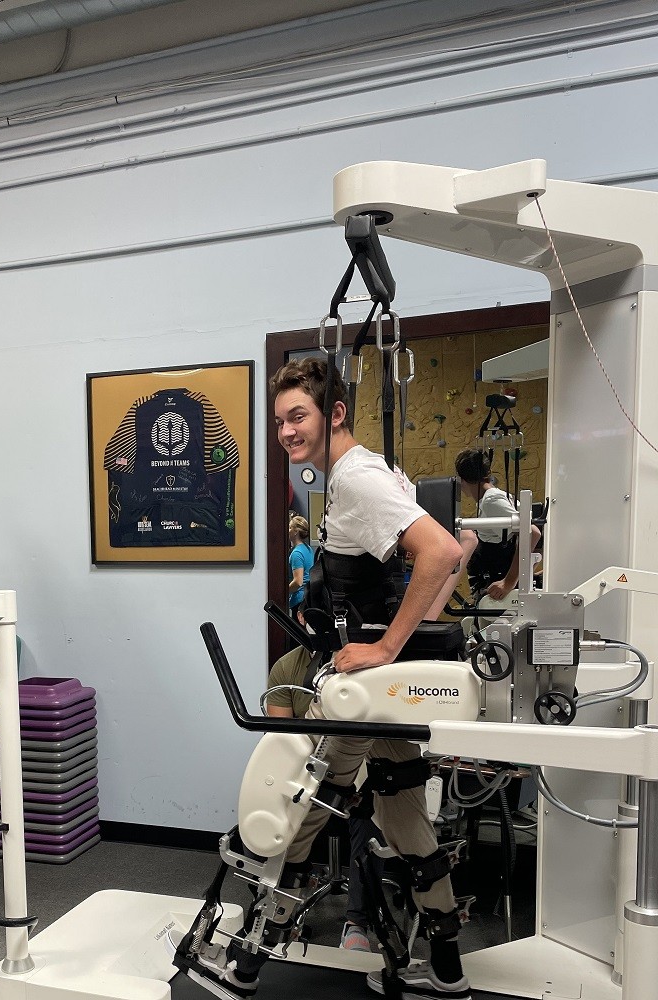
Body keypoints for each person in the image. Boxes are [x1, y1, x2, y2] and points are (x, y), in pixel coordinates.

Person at [270, 357, 467, 999]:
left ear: (335, 414)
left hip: (360, 689)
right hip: (374, 690)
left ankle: (251, 951)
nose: (287, 433)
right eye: (280, 421)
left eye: (298, 417)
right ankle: (446, 965)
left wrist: (385, 646)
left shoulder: (356, 478)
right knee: (405, 815)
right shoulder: (356, 474)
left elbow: (441, 550)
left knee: (295, 801)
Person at [265, 608, 384, 953]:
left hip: (359, 767)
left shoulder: (369, 661)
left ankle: (357, 921)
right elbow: (282, 740)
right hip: (309, 769)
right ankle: (279, 913)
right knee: (270, 819)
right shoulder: (288, 668)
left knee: (371, 819)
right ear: (302, 618)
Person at [454, 448, 541, 602]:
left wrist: (509, 582)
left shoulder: (491, 501)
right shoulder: (492, 498)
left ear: (463, 479)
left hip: (495, 585)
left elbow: (532, 532)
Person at [286, 515, 314, 620]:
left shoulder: (296, 554)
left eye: (289, 527)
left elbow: (298, 582)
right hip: (307, 598)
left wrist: (283, 592)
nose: (288, 530)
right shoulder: (308, 549)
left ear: (296, 531)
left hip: (298, 601)